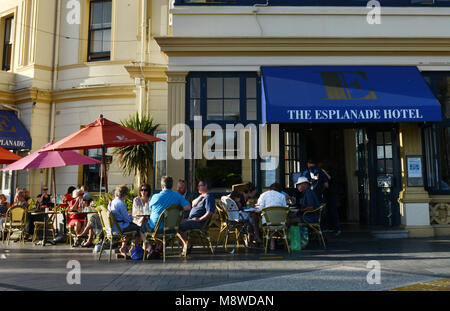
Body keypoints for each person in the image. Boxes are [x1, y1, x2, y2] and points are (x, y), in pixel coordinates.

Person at [147, 177, 190, 256]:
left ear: (162, 186)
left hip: (156, 229)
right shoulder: (178, 196)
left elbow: (150, 211)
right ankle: (157, 248)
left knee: (141, 229)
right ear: (172, 185)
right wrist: (178, 208)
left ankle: (149, 249)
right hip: (172, 229)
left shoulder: (155, 196)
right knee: (179, 226)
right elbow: (188, 207)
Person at [177, 179, 216, 256]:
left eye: (200, 185)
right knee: (175, 224)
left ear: (206, 186)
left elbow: (210, 212)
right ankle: (187, 243)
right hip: (192, 220)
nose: (198, 187)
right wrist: (201, 196)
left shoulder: (209, 197)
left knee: (176, 226)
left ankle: (187, 244)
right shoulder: (203, 196)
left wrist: (199, 219)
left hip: (198, 223)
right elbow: (193, 204)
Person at [108, 185, 144, 258]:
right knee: (139, 228)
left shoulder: (112, 202)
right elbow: (127, 219)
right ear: (124, 194)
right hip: (120, 227)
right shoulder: (121, 203)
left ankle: (123, 248)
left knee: (132, 227)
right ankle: (132, 249)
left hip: (113, 227)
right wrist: (132, 218)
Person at [256, 183, 287, 251]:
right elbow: (284, 208)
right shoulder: (282, 196)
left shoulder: (263, 195)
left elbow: (259, 208)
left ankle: (271, 242)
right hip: (280, 222)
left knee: (266, 221)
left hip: (267, 222)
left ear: (269, 189)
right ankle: (281, 242)